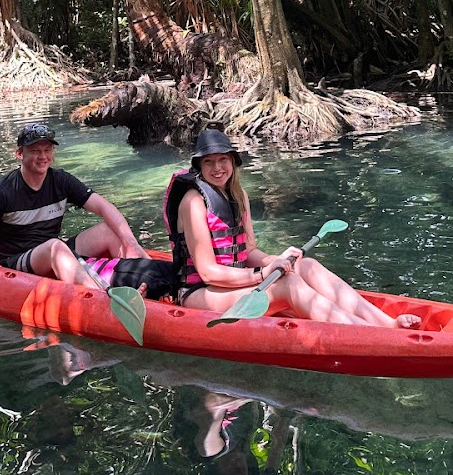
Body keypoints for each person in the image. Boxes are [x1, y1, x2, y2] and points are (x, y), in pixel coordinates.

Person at [164, 127, 413, 327]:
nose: (217, 168)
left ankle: (387, 324)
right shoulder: (193, 202)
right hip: (200, 293)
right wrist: (263, 274)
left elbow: (248, 252)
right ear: (199, 167)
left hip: (233, 284)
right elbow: (208, 273)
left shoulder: (238, 196)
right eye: (209, 162)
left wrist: (279, 259)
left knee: (308, 266)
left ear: (233, 162)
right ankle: (370, 335)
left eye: (222, 160)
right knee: (288, 285)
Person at [0, 120, 155, 326]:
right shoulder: (1, 193)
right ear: (20, 154)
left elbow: (105, 207)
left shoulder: (60, 180)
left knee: (109, 230)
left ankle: (152, 280)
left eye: (47, 150)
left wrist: (130, 243)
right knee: (55, 247)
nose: (42, 156)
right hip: (16, 259)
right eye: (35, 150)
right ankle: (103, 301)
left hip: (53, 247)